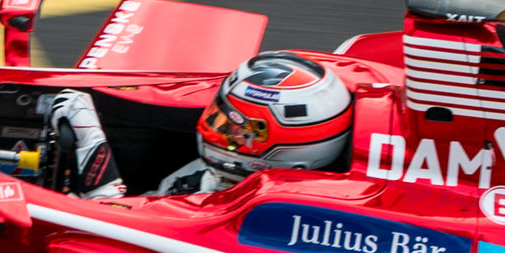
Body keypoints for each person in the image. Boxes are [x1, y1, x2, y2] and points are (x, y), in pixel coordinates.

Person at [152, 51, 355, 195]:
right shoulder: (203, 177)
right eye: (220, 118)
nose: (219, 129)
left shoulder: (202, 196)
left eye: (237, 130)